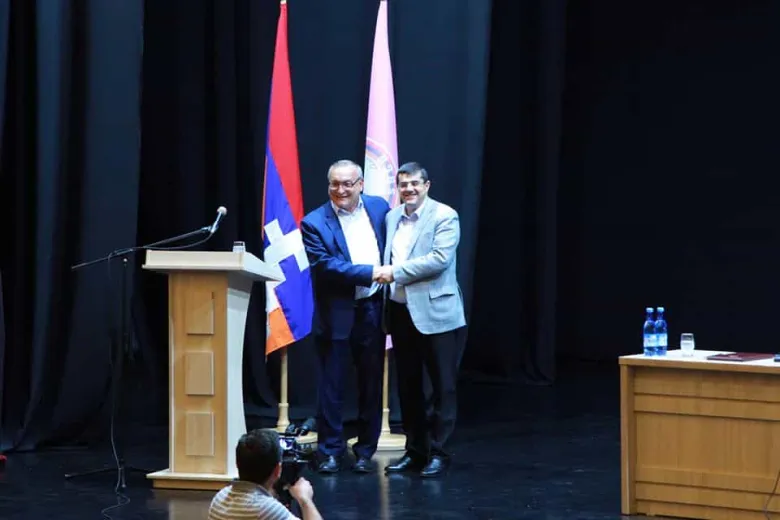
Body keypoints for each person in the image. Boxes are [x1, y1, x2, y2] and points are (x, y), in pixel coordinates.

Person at [375, 162, 466, 478]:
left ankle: (439, 452)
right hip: (400, 312)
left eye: (414, 183)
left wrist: (395, 272)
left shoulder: (445, 215)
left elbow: (439, 260)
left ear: (427, 185)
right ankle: (415, 451)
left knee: (442, 386)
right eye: (403, 184)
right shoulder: (391, 217)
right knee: (409, 387)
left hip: (438, 314)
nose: (409, 189)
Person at [300, 159, 390, 474]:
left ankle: (365, 450)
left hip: (372, 310)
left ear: (360, 184)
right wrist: (371, 272)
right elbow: (325, 266)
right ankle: (330, 452)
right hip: (336, 314)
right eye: (335, 184)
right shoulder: (313, 222)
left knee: (371, 384)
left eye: (347, 183)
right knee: (332, 387)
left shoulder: (379, 209)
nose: (341, 190)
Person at [208, 429, 322, 520]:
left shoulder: (219, 498)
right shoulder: (267, 509)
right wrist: (305, 500)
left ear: (237, 464)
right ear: (278, 470)